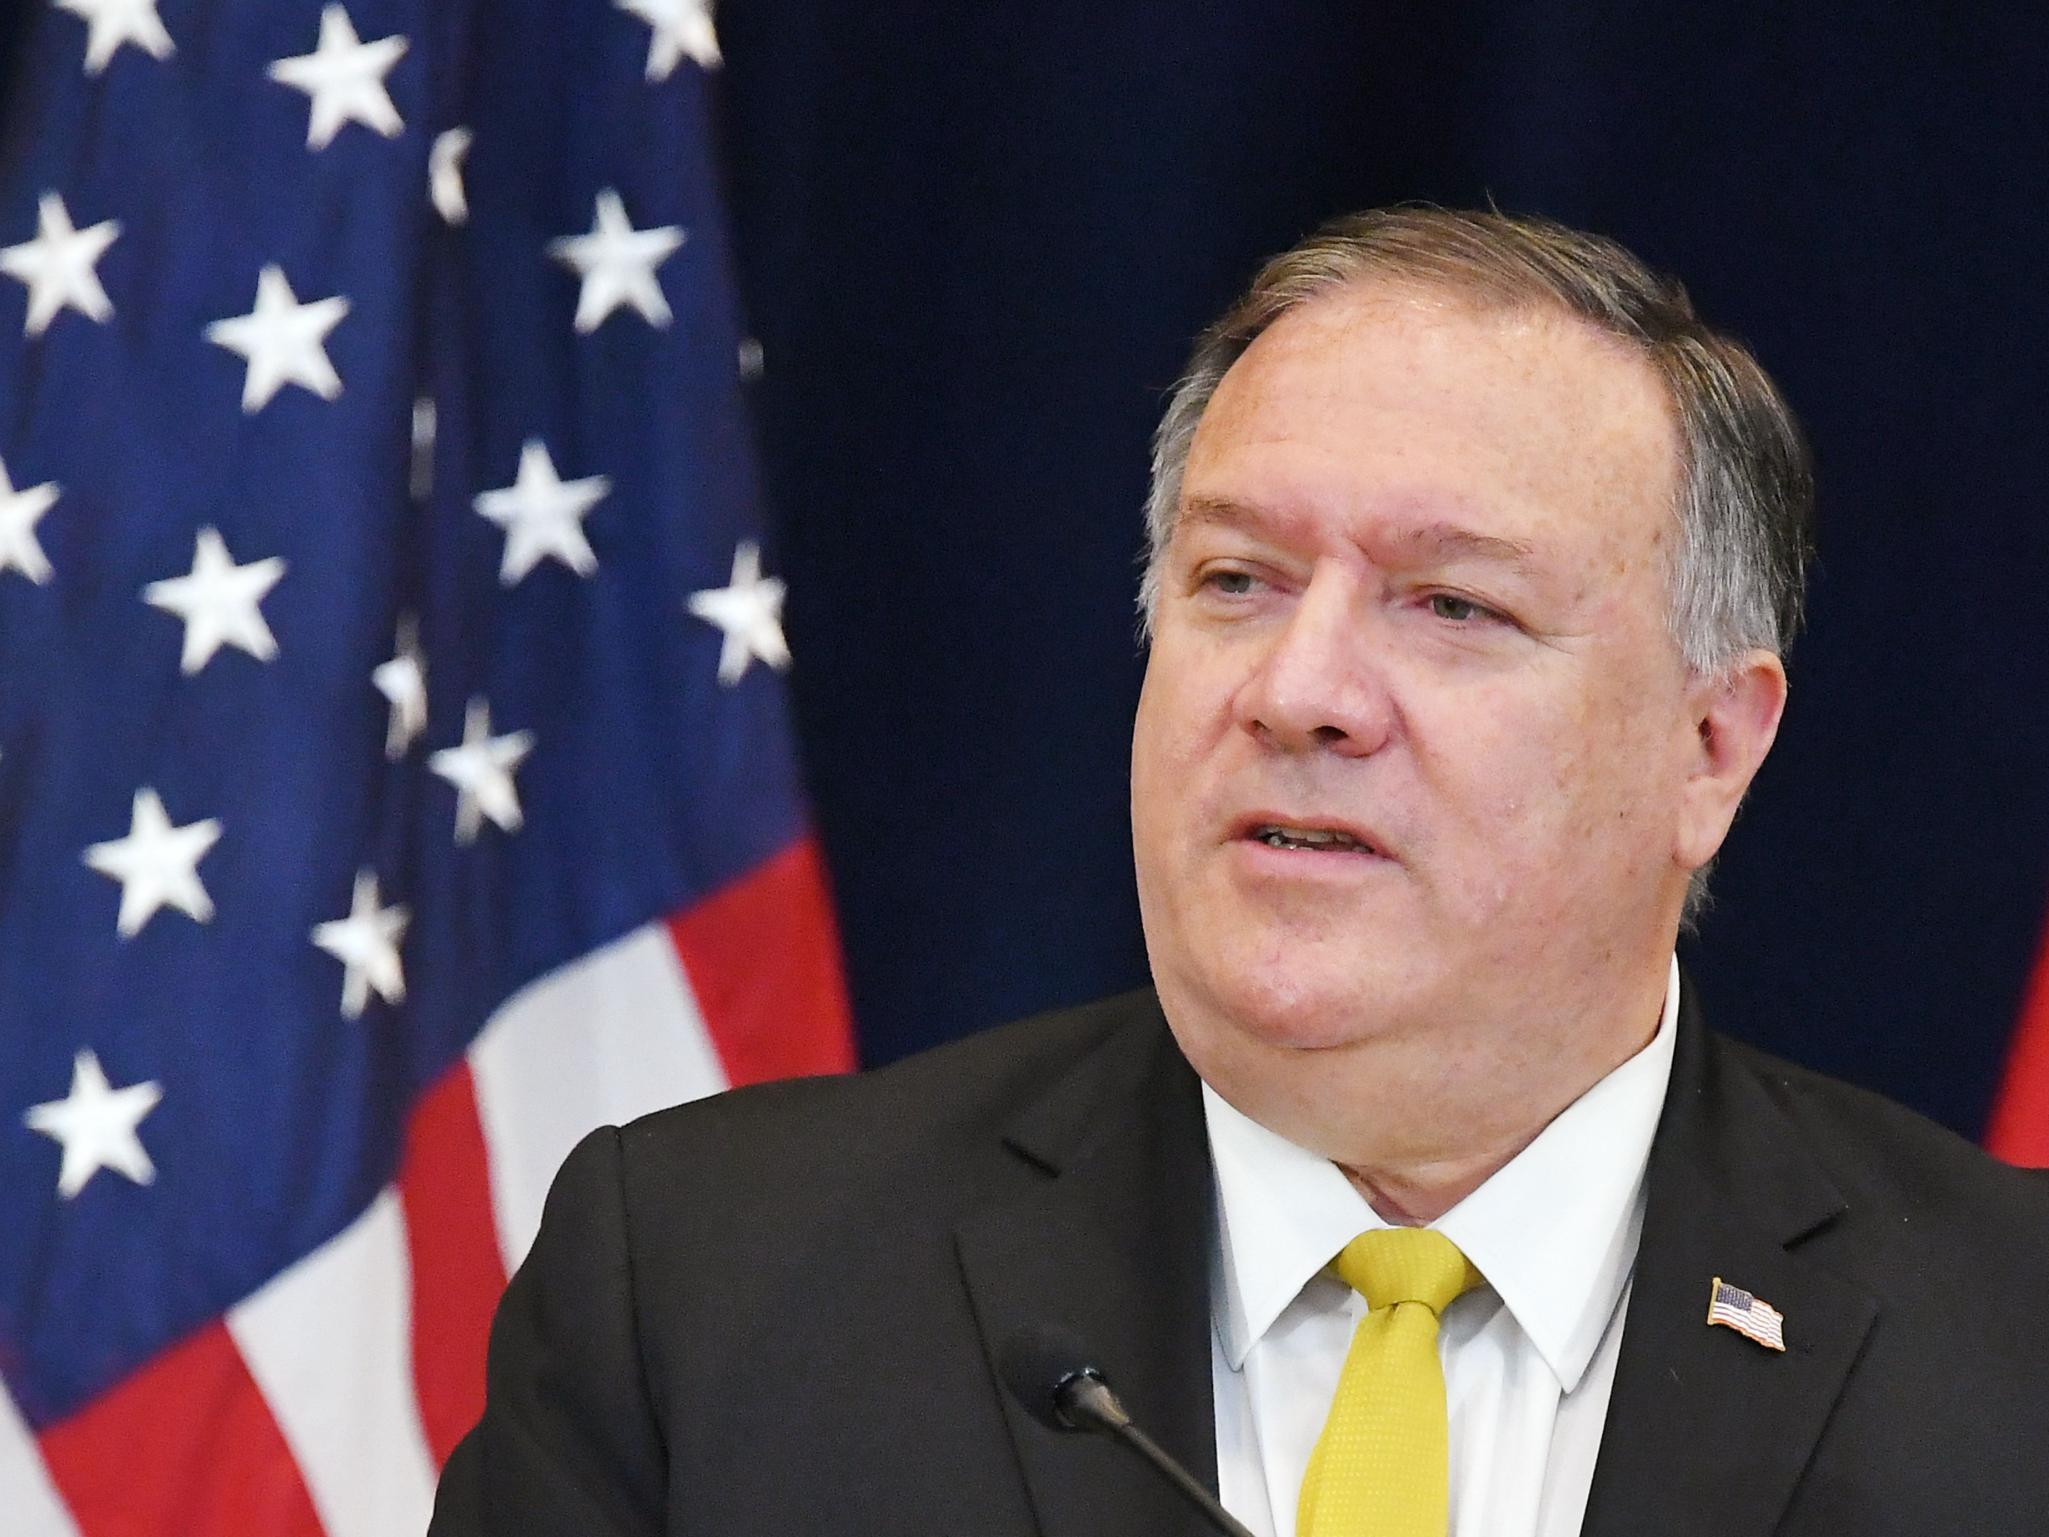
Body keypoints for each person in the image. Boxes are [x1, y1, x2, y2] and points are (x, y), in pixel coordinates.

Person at [429, 209, 2049, 1537]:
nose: (1300, 688)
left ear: (1709, 746)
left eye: (1451, 606)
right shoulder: (705, 1298)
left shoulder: (2009, 1353)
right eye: (1236, 579)